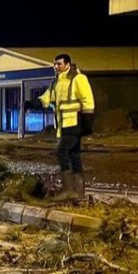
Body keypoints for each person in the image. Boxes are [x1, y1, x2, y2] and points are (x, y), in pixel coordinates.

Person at [38, 53, 95, 202]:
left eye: (59, 64)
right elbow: (48, 97)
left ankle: (69, 189)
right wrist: (37, 103)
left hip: (75, 123)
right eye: (55, 64)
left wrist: (87, 122)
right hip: (63, 124)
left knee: (61, 151)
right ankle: (78, 192)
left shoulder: (77, 78)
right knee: (74, 155)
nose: (56, 67)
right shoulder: (57, 81)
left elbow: (87, 100)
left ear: (67, 64)